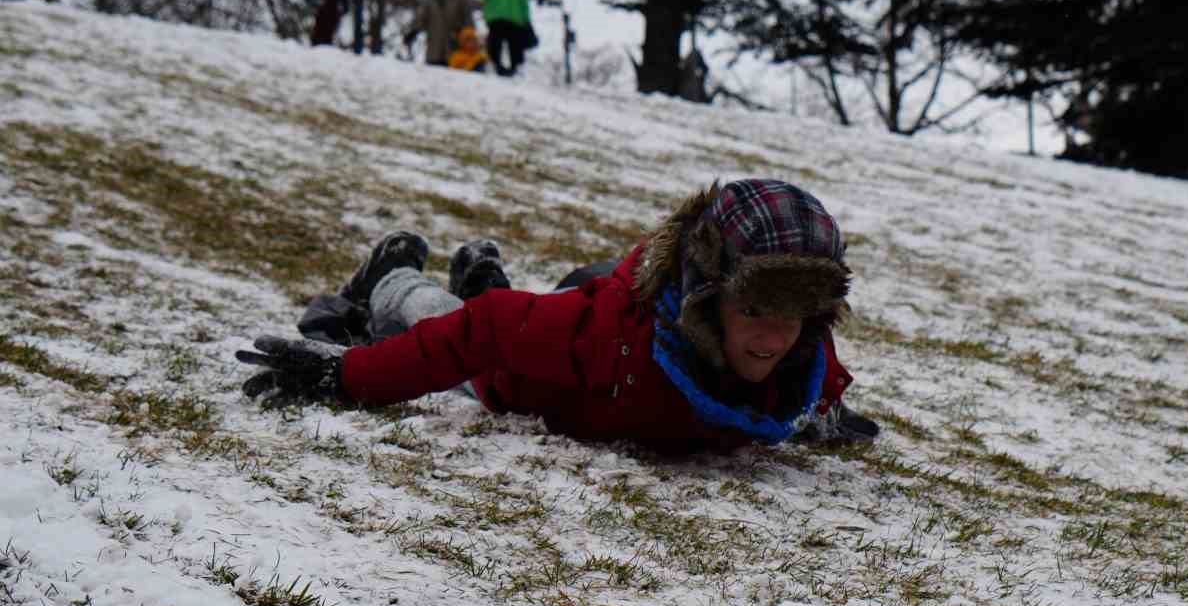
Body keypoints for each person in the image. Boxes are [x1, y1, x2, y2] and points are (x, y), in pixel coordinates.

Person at [237, 180, 880, 451]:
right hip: (507, 373)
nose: (774, 336)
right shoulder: (609, 338)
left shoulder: (799, 352)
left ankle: (482, 267)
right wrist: (348, 376)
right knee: (449, 316)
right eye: (756, 309)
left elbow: (814, 374)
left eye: (795, 316)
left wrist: (821, 413)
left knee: (523, 310)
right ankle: (393, 277)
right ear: (705, 297)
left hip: (567, 308)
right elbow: (484, 330)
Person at [404, 0, 474, 68]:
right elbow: (421, 19)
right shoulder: (430, 1)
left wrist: (468, 32)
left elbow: (467, 16)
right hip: (434, 48)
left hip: (454, 45)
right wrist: (413, 32)